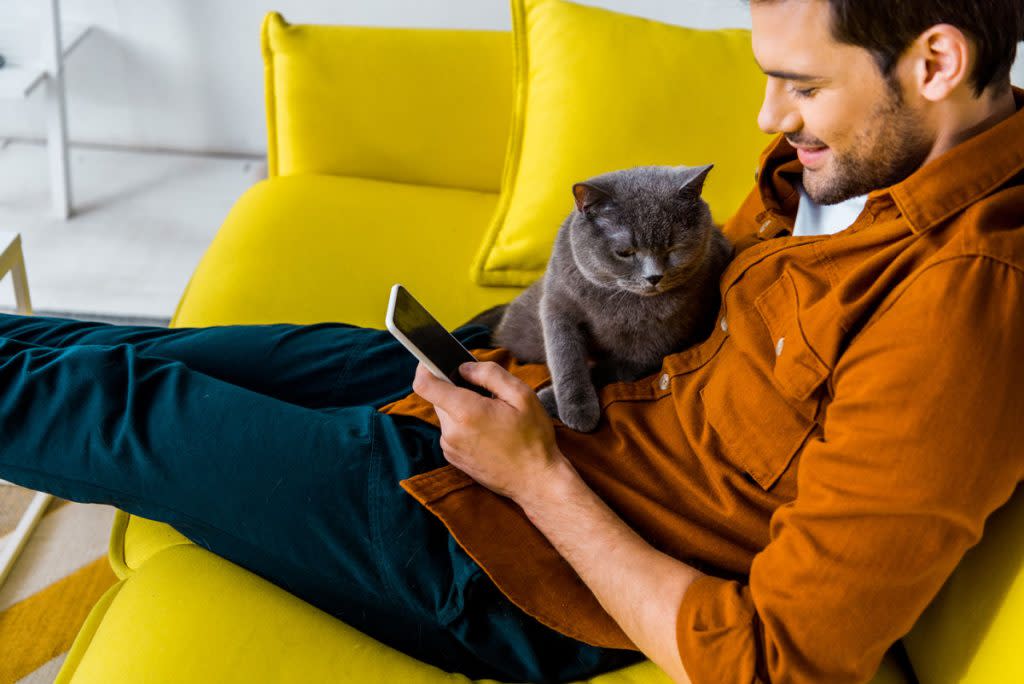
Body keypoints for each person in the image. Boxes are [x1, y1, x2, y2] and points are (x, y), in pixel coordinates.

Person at [1, 1, 1023, 682]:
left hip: (506, 551)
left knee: (100, 404)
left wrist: (534, 477)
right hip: (516, 395)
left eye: (799, 85)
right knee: (114, 356)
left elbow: (773, 663)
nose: (767, 115)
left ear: (934, 61)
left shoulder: (964, 308)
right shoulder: (861, 164)